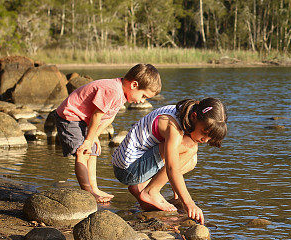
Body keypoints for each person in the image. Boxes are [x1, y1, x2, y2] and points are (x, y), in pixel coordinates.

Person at [54, 64, 161, 203]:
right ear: (134, 84)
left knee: (93, 151)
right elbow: (97, 115)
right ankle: (87, 192)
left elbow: (110, 117)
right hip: (70, 116)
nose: (142, 101)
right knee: (83, 152)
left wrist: (95, 136)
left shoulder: (122, 93)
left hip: (84, 118)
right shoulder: (112, 90)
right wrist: (88, 140)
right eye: (144, 96)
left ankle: (94, 189)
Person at [111, 97, 227, 223]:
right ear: (194, 117)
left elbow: (174, 160)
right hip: (128, 169)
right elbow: (172, 168)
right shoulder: (173, 126)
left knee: (191, 160)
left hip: (130, 164)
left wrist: (177, 194)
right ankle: (151, 191)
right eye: (204, 133)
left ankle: (141, 186)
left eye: (209, 137)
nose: (205, 139)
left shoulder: (183, 113)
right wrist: (189, 202)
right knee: (190, 148)